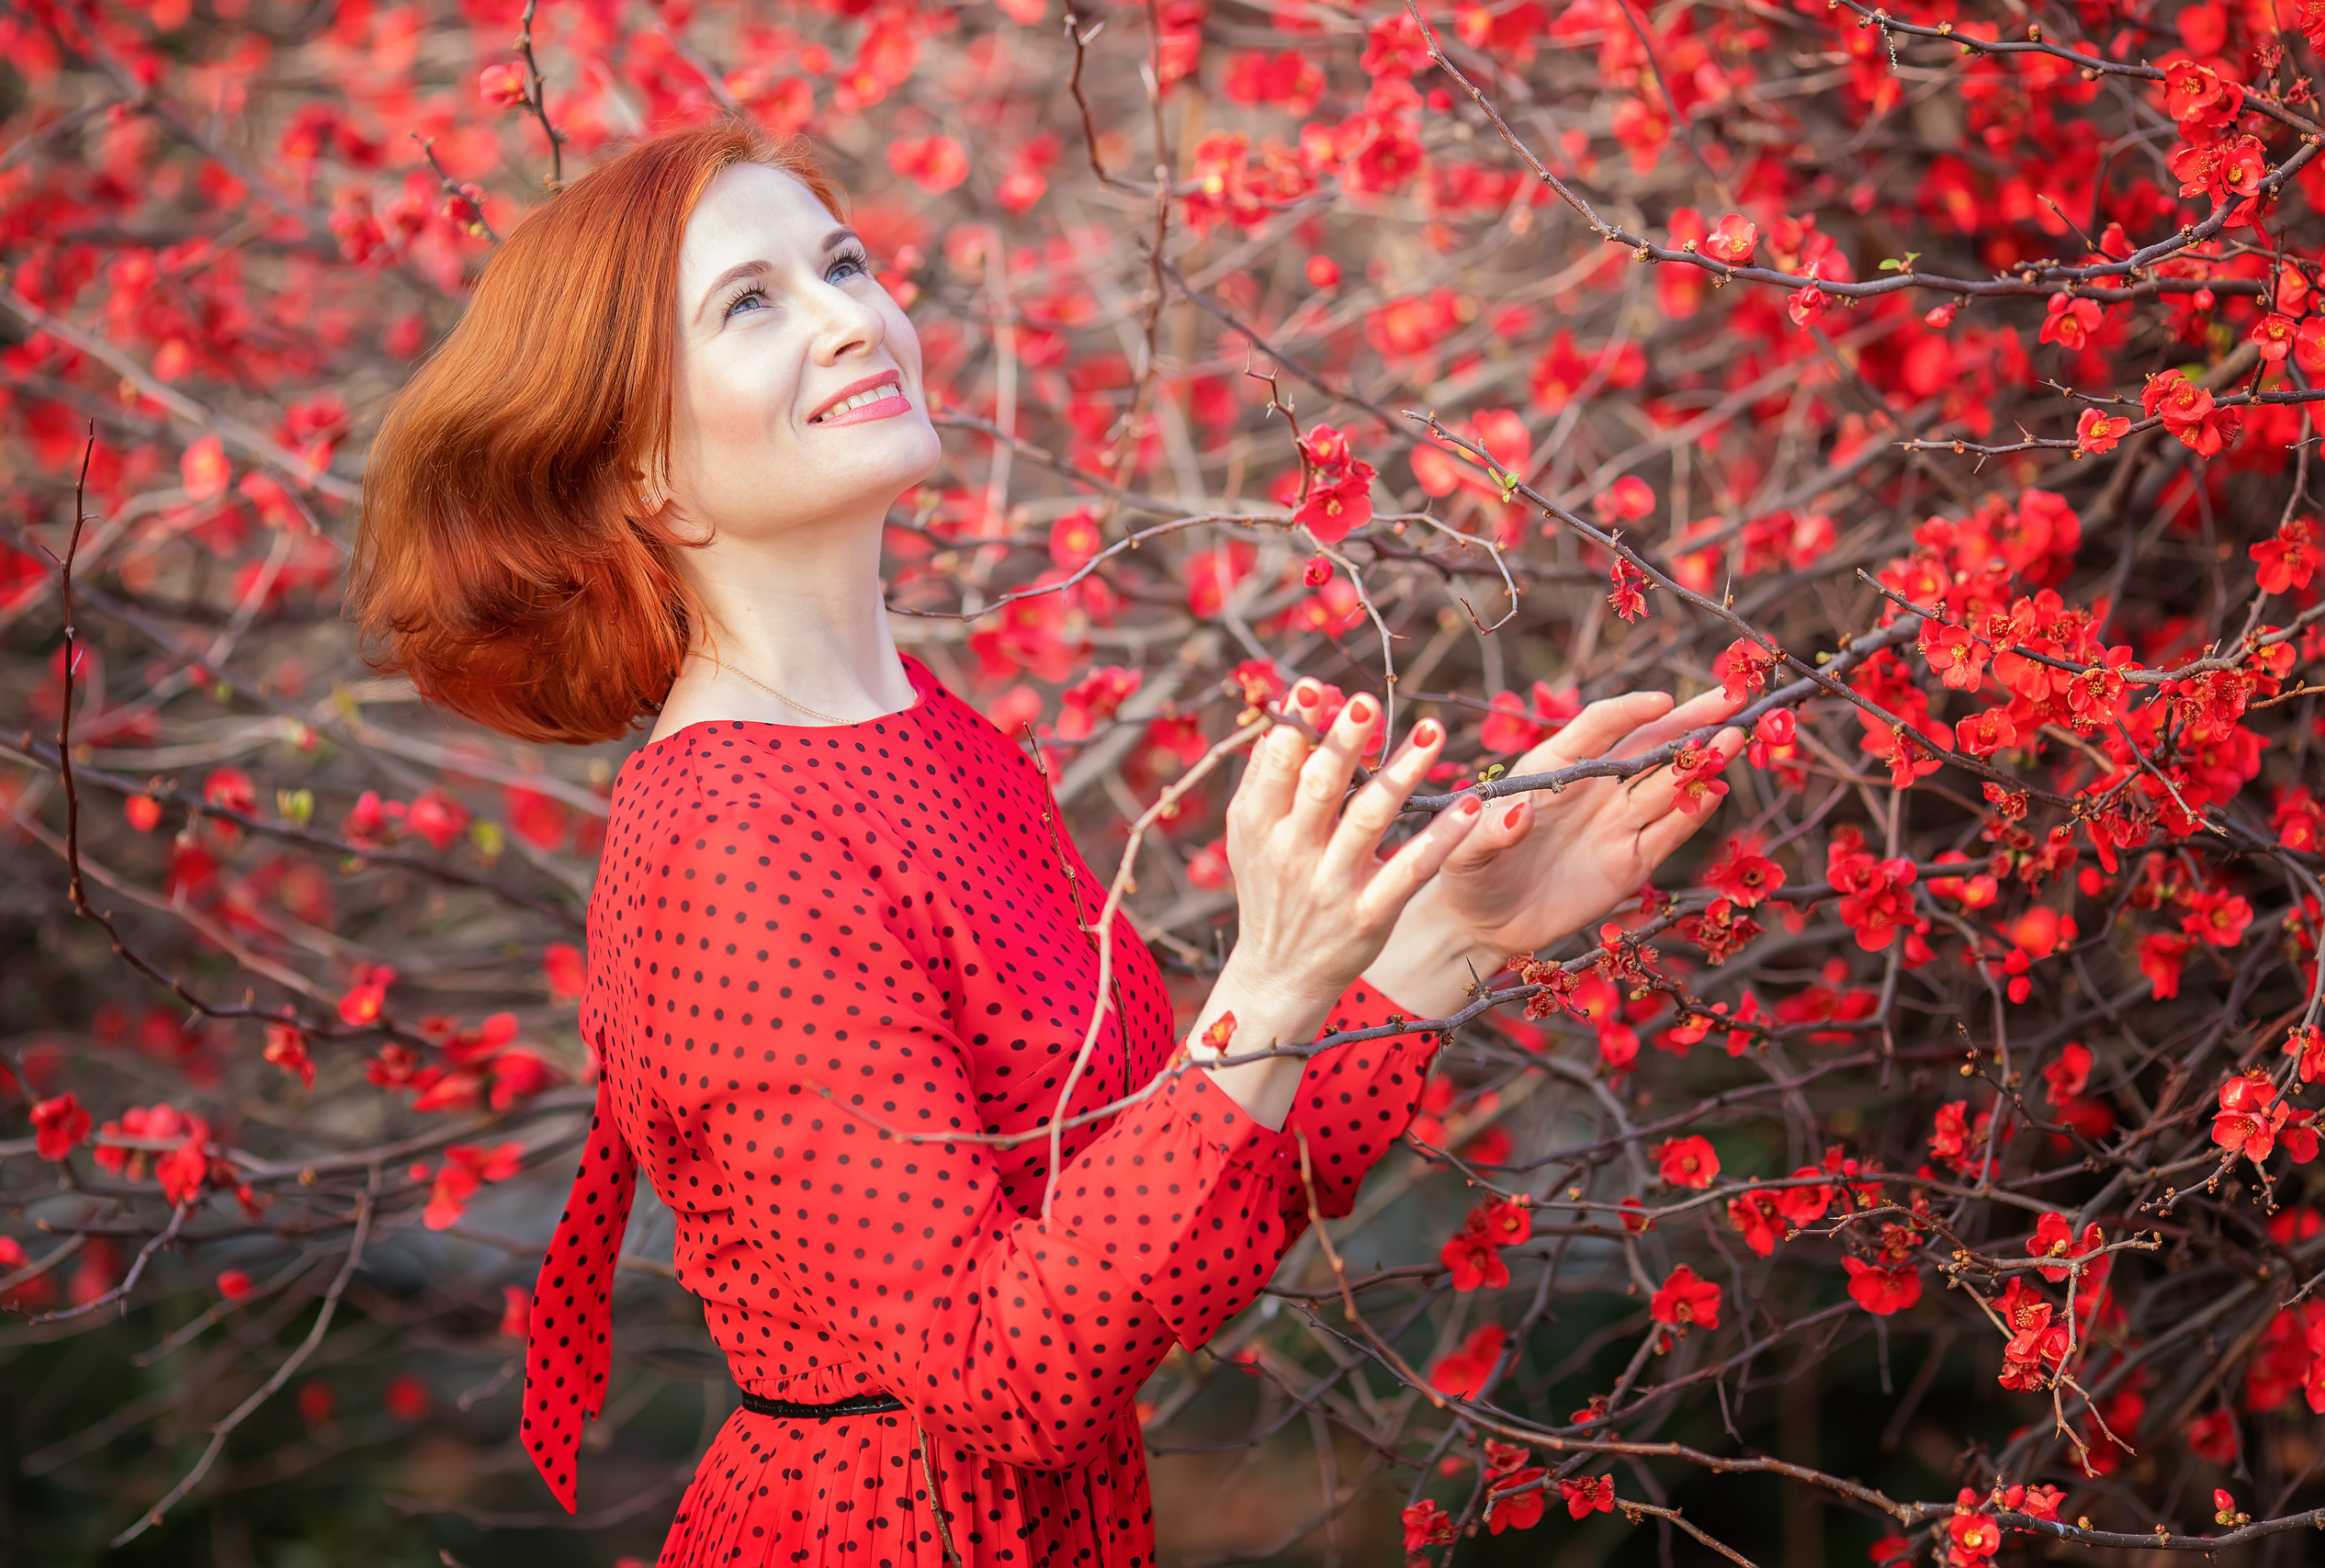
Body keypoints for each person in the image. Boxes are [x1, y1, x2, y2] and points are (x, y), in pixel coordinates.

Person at [352, 119, 1742, 1568]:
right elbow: (1005, 1376)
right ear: (640, 474)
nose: (850, 315)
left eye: (841, 262)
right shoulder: (731, 841)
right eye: (751, 303)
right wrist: (1265, 986)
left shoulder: (938, 743)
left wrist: (1436, 941)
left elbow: (1173, 1200)